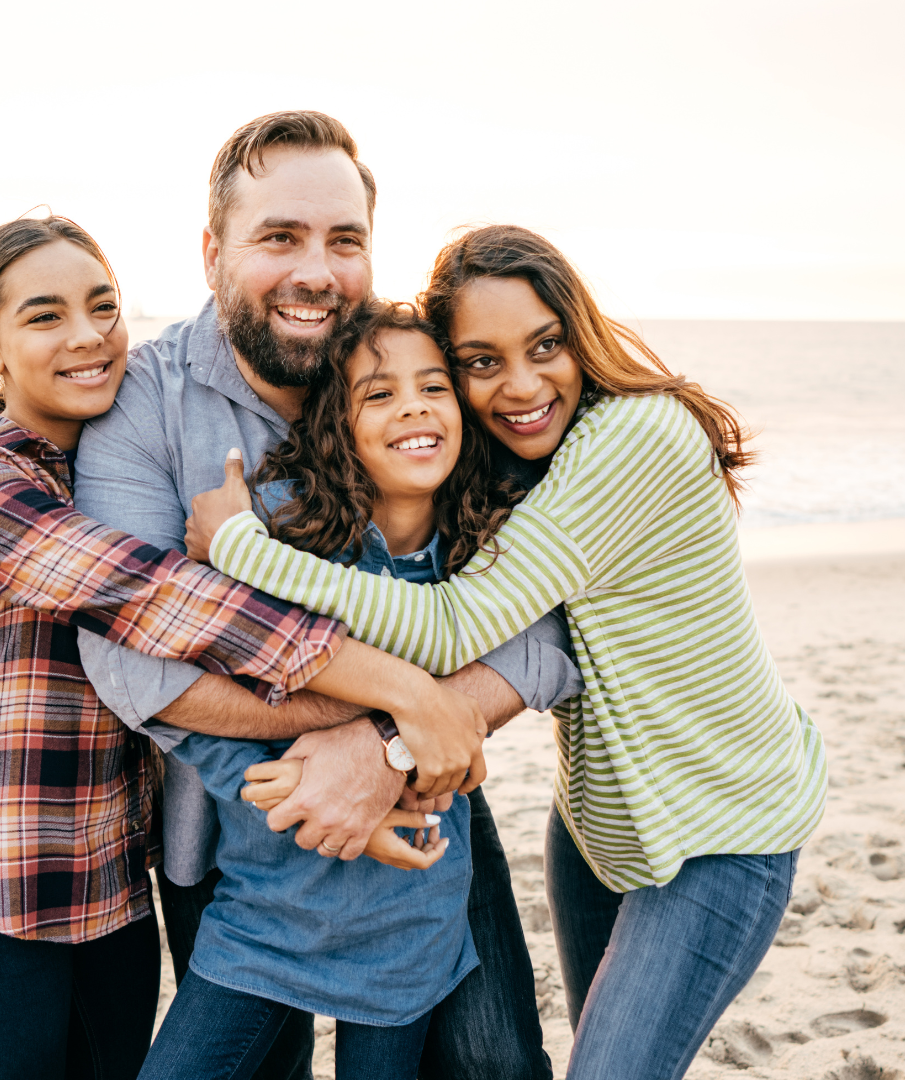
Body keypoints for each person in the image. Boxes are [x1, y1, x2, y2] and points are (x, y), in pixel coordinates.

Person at [188, 224, 829, 1080]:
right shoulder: (532, 459)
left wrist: (241, 546)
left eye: (546, 346)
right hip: (600, 828)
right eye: (482, 363)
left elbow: (454, 627)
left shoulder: (632, 439)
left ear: (581, 335)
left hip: (724, 830)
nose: (522, 385)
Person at [0, 215, 488, 1080]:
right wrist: (408, 693)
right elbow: (153, 598)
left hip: (111, 874)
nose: (89, 336)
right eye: (45, 317)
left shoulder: (98, 455)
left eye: (103, 306)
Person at [76, 113, 577, 1080]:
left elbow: (543, 624)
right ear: (214, 249)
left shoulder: (416, 369)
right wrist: (402, 697)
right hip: (238, 835)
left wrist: (386, 747)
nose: (317, 270)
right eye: (280, 237)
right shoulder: (147, 400)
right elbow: (128, 653)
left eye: (344, 240)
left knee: (498, 1066)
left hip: (425, 814)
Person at [142, 301, 568, 1080]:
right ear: (336, 423)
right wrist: (284, 792)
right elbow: (194, 697)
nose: (412, 405)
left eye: (434, 386)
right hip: (266, 912)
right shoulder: (274, 534)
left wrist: (393, 778)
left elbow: (518, 679)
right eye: (377, 394)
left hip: (412, 913)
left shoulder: (488, 561)